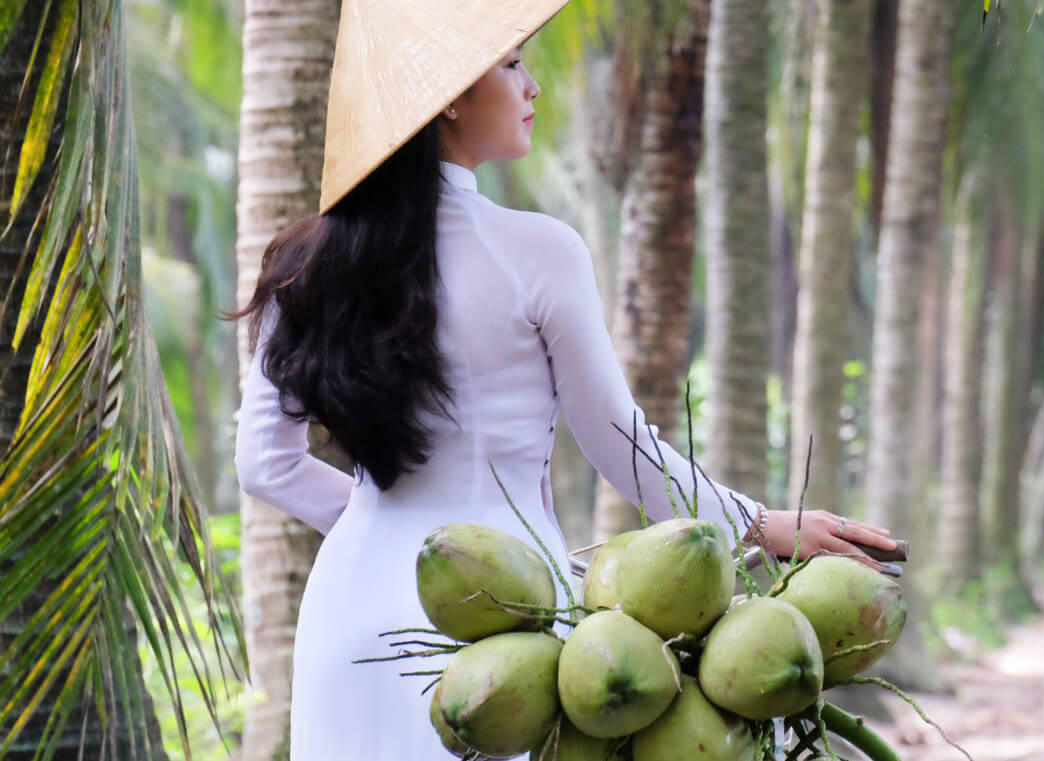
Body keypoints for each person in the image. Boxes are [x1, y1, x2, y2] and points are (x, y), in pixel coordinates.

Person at [231, 0, 899, 758]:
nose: (533, 85)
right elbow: (620, 446)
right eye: (512, 64)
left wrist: (384, 528)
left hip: (348, 610)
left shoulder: (303, 263)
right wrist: (761, 524)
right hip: (503, 623)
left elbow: (264, 465)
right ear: (449, 95)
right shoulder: (539, 251)